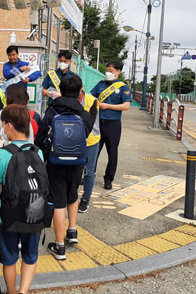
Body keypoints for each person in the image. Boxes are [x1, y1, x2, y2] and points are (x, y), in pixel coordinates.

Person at [0, 105, 45, 294]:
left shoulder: (4, 154)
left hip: (8, 217)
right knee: (30, 257)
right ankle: (23, 292)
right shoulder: (37, 152)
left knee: (9, 259)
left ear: (9, 125)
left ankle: (11, 291)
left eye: (3, 124)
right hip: (34, 215)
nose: (3, 128)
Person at [35, 75, 96, 260]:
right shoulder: (84, 114)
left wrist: (43, 157)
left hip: (56, 162)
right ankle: (72, 231)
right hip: (77, 162)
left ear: (60, 91)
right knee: (73, 195)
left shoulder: (52, 112)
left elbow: (41, 137)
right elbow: (86, 134)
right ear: (79, 94)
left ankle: (59, 246)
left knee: (58, 201)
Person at [89, 61, 131, 190]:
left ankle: (109, 178)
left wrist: (108, 106)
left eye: (111, 71)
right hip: (98, 123)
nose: (108, 73)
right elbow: (91, 97)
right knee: (93, 151)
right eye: (107, 71)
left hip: (113, 125)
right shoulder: (101, 84)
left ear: (118, 72)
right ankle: (89, 174)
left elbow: (126, 106)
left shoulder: (123, 87)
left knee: (112, 153)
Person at [78, 89, 101, 213]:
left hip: (91, 140)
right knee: (75, 169)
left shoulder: (92, 101)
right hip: (75, 140)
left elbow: (94, 124)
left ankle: (85, 199)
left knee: (89, 171)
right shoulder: (69, 99)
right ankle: (71, 196)